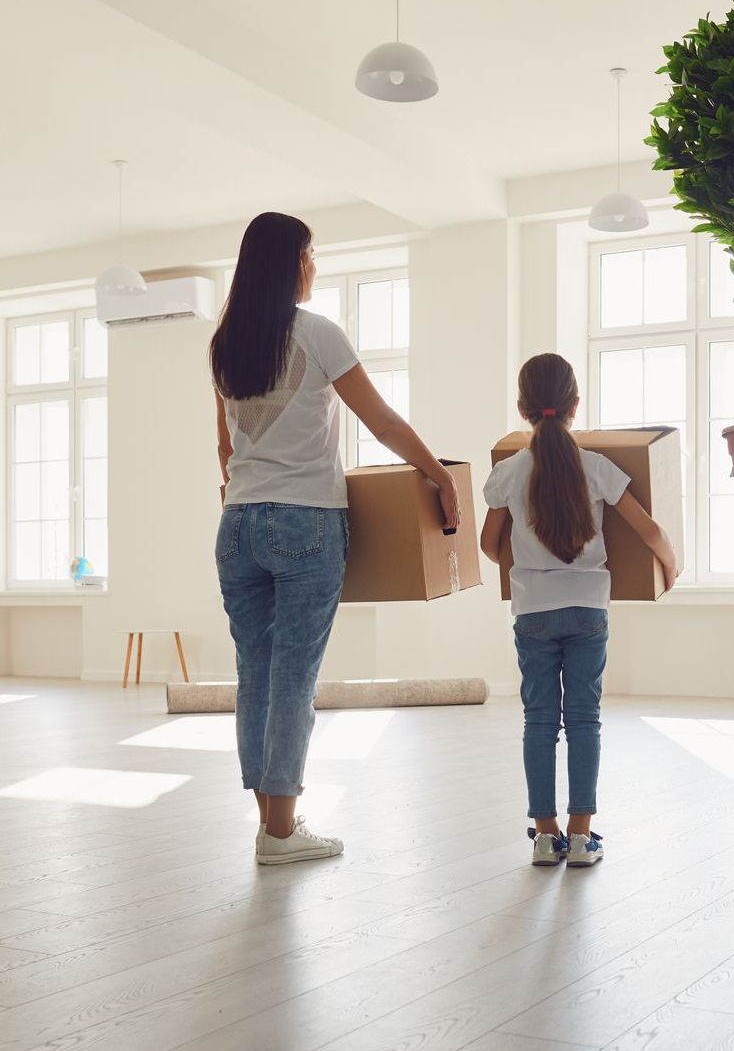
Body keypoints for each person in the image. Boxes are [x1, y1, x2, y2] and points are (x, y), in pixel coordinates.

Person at [212, 212, 459, 866]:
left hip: (237, 523)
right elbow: (379, 421)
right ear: (289, 261)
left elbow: (223, 446)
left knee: (255, 675)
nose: (314, 265)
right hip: (304, 521)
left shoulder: (225, 342)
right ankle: (282, 831)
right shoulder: (317, 334)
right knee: (293, 676)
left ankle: (274, 825)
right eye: (310, 254)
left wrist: (244, 493)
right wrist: (438, 476)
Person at [480, 353, 679, 867]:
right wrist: (669, 565)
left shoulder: (508, 473)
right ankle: (582, 835)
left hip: (533, 612)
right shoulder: (596, 468)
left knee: (539, 720)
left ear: (523, 407)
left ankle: (545, 836)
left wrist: (524, 551)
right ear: (574, 405)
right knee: (585, 720)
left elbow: (487, 544)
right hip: (589, 608)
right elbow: (649, 530)